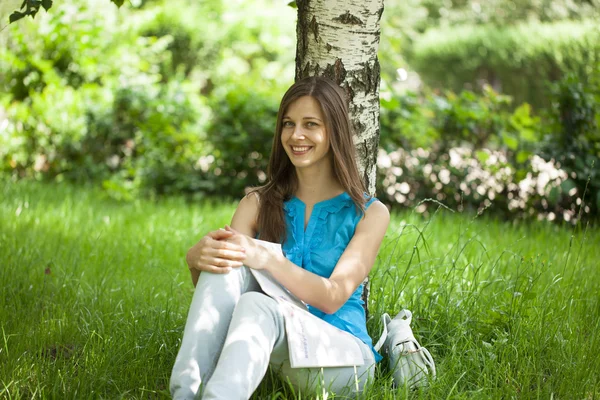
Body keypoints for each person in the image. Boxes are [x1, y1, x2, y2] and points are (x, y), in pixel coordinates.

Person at [170, 76, 390, 399]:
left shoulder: (369, 213)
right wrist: (195, 260)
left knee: (258, 303)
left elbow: (333, 295)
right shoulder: (257, 204)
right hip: (276, 346)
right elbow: (223, 295)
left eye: (310, 124)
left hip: (343, 359)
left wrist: (268, 258)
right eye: (289, 124)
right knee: (231, 261)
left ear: (334, 131)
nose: (296, 135)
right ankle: (184, 394)